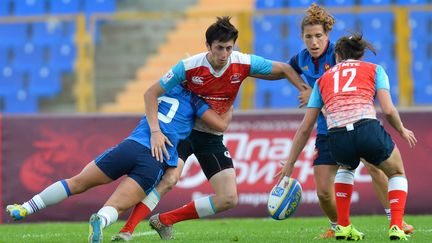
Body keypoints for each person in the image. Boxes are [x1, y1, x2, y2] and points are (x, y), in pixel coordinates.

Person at [111, 16, 310, 241]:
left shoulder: (242, 62)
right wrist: (156, 130)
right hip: (184, 131)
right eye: (219, 48)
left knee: (228, 198)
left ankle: (164, 220)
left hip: (211, 136)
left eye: (228, 48)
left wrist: (305, 89)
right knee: (170, 179)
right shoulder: (189, 66)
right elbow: (153, 92)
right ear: (208, 46)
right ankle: (126, 231)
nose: (224, 54)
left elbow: (283, 68)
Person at [5, 81, 233, 243]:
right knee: (116, 206)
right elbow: (220, 125)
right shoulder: (197, 102)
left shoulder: (165, 88)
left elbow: (150, 94)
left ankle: (25, 207)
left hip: (130, 146)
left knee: (76, 182)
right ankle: (101, 221)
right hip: (155, 160)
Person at [283, 3, 413, 238]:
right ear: (302, 37)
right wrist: (303, 87)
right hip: (330, 130)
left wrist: (316, 97)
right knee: (323, 190)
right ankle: (338, 226)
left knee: (373, 168)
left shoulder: (339, 55)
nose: (313, 42)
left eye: (318, 36)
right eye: (308, 37)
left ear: (328, 36)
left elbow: (341, 92)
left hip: (344, 123)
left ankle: (394, 219)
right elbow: (285, 68)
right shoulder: (301, 59)